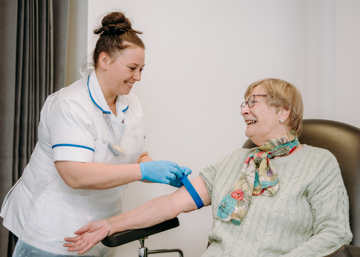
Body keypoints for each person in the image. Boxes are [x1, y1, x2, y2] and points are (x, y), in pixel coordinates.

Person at [64, 78, 352, 257]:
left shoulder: (319, 162)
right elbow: (170, 204)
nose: (243, 110)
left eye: (253, 102)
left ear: (283, 111)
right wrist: (110, 225)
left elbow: (335, 232)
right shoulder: (231, 163)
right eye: (243, 103)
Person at [0, 11, 191, 257]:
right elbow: (74, 174)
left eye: (142, 69)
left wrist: (161, 173)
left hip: (100, 224)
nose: (138, 77)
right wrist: (143, 171)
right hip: (51, 224)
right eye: (132, 68)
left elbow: (138, 156)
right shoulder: (70, 104)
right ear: (104, 60)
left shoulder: (132, 104)